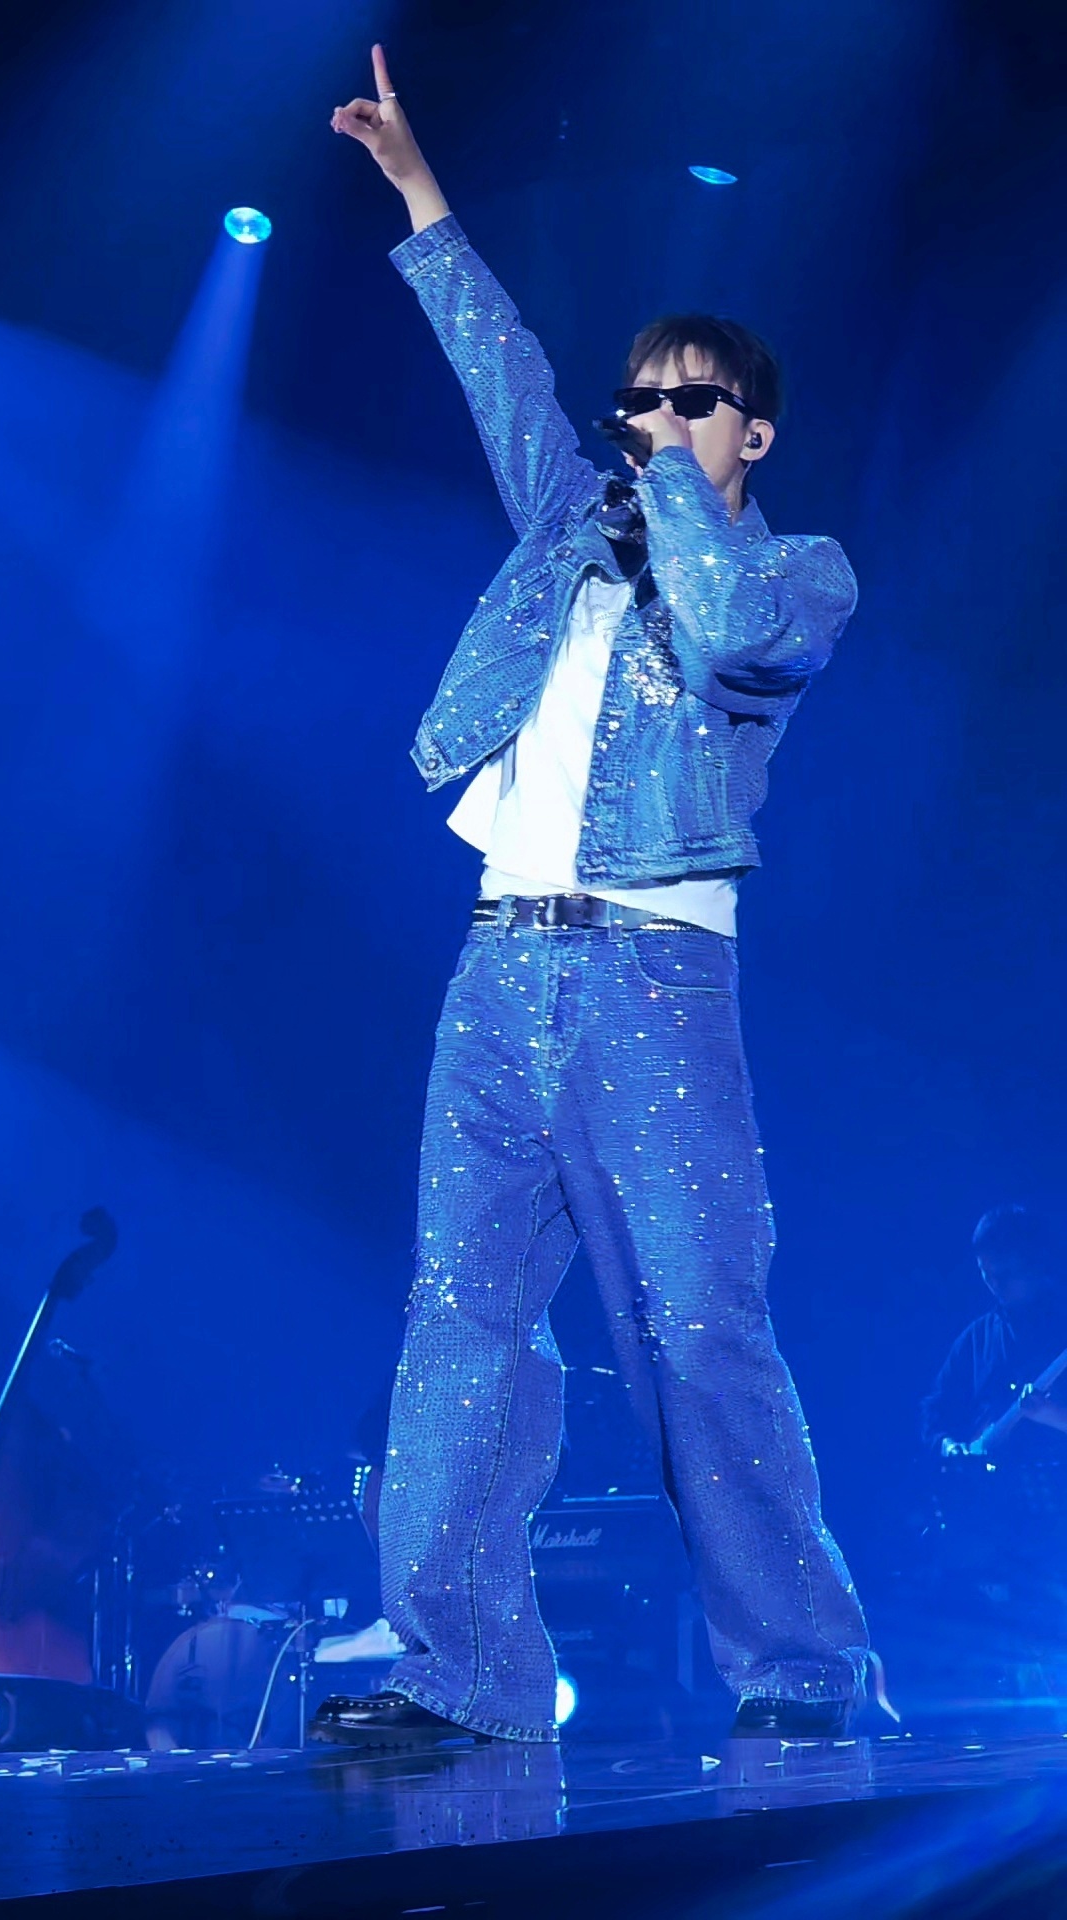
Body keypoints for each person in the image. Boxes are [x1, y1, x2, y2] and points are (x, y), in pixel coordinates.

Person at [310, 45, 868, 1750]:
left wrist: (676, 490)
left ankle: (803, 1670)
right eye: (642, 399)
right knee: (464, 1327)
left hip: (653, 982)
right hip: (498, 971)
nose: (653, 420)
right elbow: (498, 366)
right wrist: (419, 191)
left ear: (753, 431)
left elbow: (729, 631)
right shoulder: (571, 525)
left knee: (697, 1333)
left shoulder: (793, 572)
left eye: (692, 401)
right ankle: (459, 1675)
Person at [923, 1205, 1067, 1461]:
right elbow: (936, 1410)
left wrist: (1055, 1416)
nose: (995, 1285)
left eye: (1006, 1274)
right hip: (992, 1485)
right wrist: (947, 1445)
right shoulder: (976, 1339)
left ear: (1034, 1265)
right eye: (986, 1274)